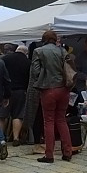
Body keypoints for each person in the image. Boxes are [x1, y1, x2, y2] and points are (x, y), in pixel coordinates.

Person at [30, 30, 74, 163]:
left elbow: (35, 71)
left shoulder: (39, 51)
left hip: (48, 89)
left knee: (48, 121)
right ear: (55, 40)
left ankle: (49, 154)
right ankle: (67, 152)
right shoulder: (62, 51)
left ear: (43, 39)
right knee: (61, 120)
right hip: (63, 89)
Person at [2, 44, 31, 144]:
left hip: (6, 90)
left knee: (3, 115)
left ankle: (0, 138)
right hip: (20, 91)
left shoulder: (6, 59)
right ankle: (16, 138)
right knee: (18, 115)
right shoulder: (28, 62)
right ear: (26, 53)